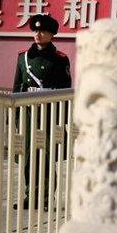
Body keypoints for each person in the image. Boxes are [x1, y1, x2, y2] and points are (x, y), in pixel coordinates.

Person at [13, 14, 71, 210]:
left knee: (45, 156)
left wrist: (61, 117)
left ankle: (46, 197)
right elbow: (17, 87)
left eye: (43, 31)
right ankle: (30, 195)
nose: (38, 34)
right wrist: (14, 116)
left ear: (52, 34)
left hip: (48, 112)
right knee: (28, 156)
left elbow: (65, 90)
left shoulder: (60, 59)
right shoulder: (23, 58)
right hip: (29, 113)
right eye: (35, 30)